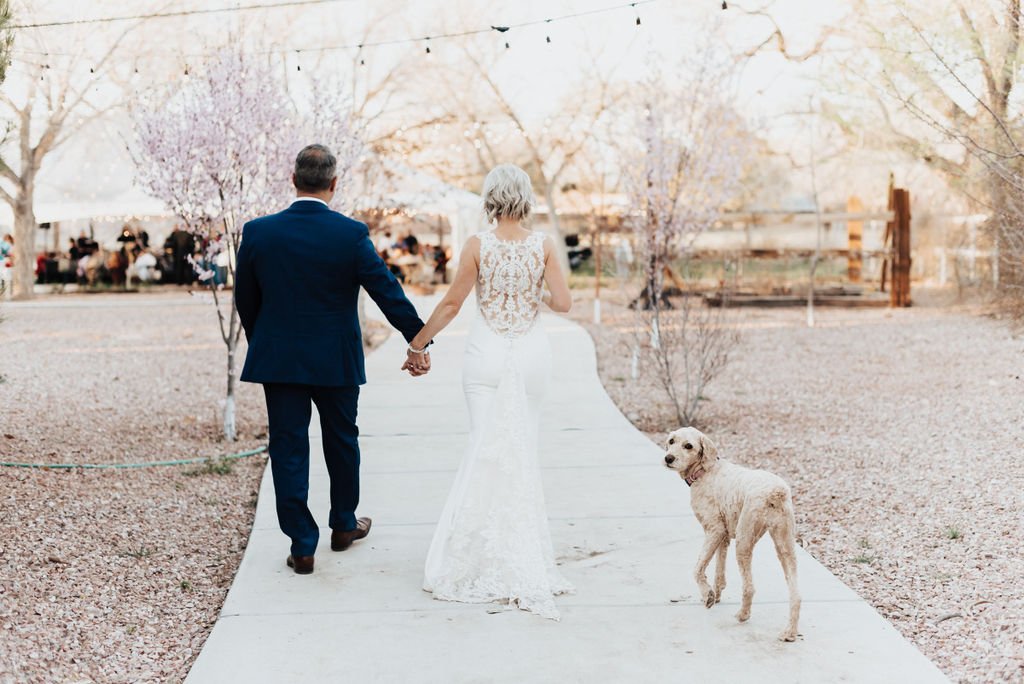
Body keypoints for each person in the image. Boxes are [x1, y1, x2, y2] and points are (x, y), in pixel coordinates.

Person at [234, 144, 430, 576]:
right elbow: (385, 289)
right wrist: (419, 339)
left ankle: (302, 546)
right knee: (342, 440)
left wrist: (264, 342)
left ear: (294, 181)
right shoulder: (349, 234)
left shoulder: (258, 232)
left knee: (288, 446)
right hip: (335, 359)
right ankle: (343, 524)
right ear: (334, 184)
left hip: (280, 359)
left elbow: (245, 300)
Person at [413, 163, 574, 620]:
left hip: (485, 355)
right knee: (521, 452)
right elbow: (563, 303)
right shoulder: (542, 246)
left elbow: (451, 303)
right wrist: (536, 293)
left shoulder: (477, 245)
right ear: (525, 198)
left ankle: (475, 557)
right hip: (531, 356)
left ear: (489, 198)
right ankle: (522, 555)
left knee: (484, 449)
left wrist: (417, 344)